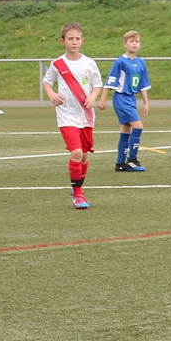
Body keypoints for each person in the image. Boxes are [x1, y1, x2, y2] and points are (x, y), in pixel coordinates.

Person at [42, 23, 102, 210]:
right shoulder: (57, 64)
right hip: (66, 115)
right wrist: (51, 94)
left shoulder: (89, 63)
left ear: (82, 41)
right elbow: (47, 82)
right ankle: (77, 194)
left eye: (77, 39)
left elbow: (97, 83)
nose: (74, 42)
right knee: (76, 152)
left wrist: (93, 96)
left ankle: (78, 185)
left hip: (86, 115)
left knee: (83, 156)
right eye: (70, 39)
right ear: (63, 41)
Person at [98, 30, 151, 172]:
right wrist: (103, 99)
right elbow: (110, 81)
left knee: (126, 129)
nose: (134, 44)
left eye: (137, 41)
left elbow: (143, 85)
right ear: (124, 44)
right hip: (121, 98)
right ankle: (132, 160)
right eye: (131, 41)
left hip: (131, 98)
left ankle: (120, 163)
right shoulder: (120, 62)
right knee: (138, 127)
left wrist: (146, 102)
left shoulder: (141, 63)